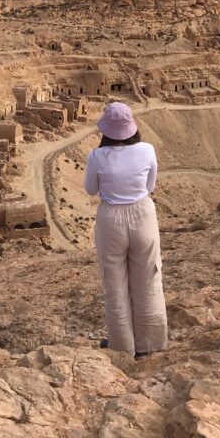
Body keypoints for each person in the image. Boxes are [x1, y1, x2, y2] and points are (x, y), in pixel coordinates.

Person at [84, 101, 168, 359]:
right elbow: (150, 186)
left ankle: (122, 348)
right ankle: (150, 344)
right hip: (143, 214)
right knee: (148, 277)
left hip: (111, 219)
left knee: (115, 283)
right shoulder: (147, 150)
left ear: (106, 131)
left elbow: (90, 190)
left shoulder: (97, 156)